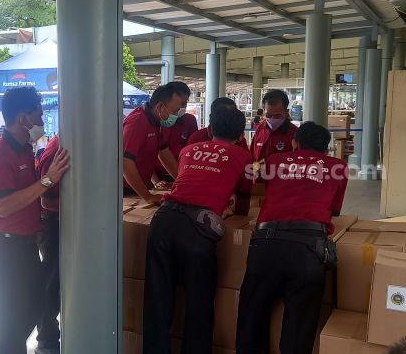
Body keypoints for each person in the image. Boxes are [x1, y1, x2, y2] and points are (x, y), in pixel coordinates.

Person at [143, 100, 252, 354]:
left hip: (164, 221)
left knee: (157, 299)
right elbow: (243, 206)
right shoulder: (244, 157)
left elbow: (191, 181)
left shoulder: (189, 149)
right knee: (199, 303)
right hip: (197, 230)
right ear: (239, 135)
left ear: (211, 130)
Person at [236, 122, 349, 354]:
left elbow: (255, 188)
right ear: (326, 150)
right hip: (308, 250)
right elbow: (334, 211)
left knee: (252, 315)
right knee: (300, 325)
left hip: (266, 244)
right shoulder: (338, 167)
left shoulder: (276, 160)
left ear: (295, 143)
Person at [0, 87, 70, 354]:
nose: (42, 122)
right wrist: (48, 179)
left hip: (25, 248)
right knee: (9, 333)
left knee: (33, 311)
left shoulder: (25, 150)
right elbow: (4, 206)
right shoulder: (0, 154)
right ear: (23, 119)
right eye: (39, 115)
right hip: (3, 253)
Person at [123, 84, 189, 204]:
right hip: (124, 191)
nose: (177, 115)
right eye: (175, 110)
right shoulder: (137, 121)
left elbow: (164, 153)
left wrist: (182, 183)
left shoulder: (157, 122)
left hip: (140, 188)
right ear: (159, 107)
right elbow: (125, 161)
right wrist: (147, 196)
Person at [35, 134, 61, 354]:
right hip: (52, 223)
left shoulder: (74, 146)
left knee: (60, 283)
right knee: (52, 283)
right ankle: (47, 340)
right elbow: (46, 199)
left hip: (68, 222)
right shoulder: (55, 152)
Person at [153, 82, 198, 185]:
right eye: (179, 105)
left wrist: (181, 180)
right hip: (157, 179)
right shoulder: (155, 123)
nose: (181, 108)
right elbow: (144, 156)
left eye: (185, 104)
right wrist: (156, 182)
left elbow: (191, 153)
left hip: (180, 175)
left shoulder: (189, 121)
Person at [251, 89, 298, 163]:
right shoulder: (260, 129)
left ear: (286, 112)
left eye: (277, 116)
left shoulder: (294, 133)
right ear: (264, 111)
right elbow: (252, 156)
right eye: (268, 115)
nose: (273, 119)